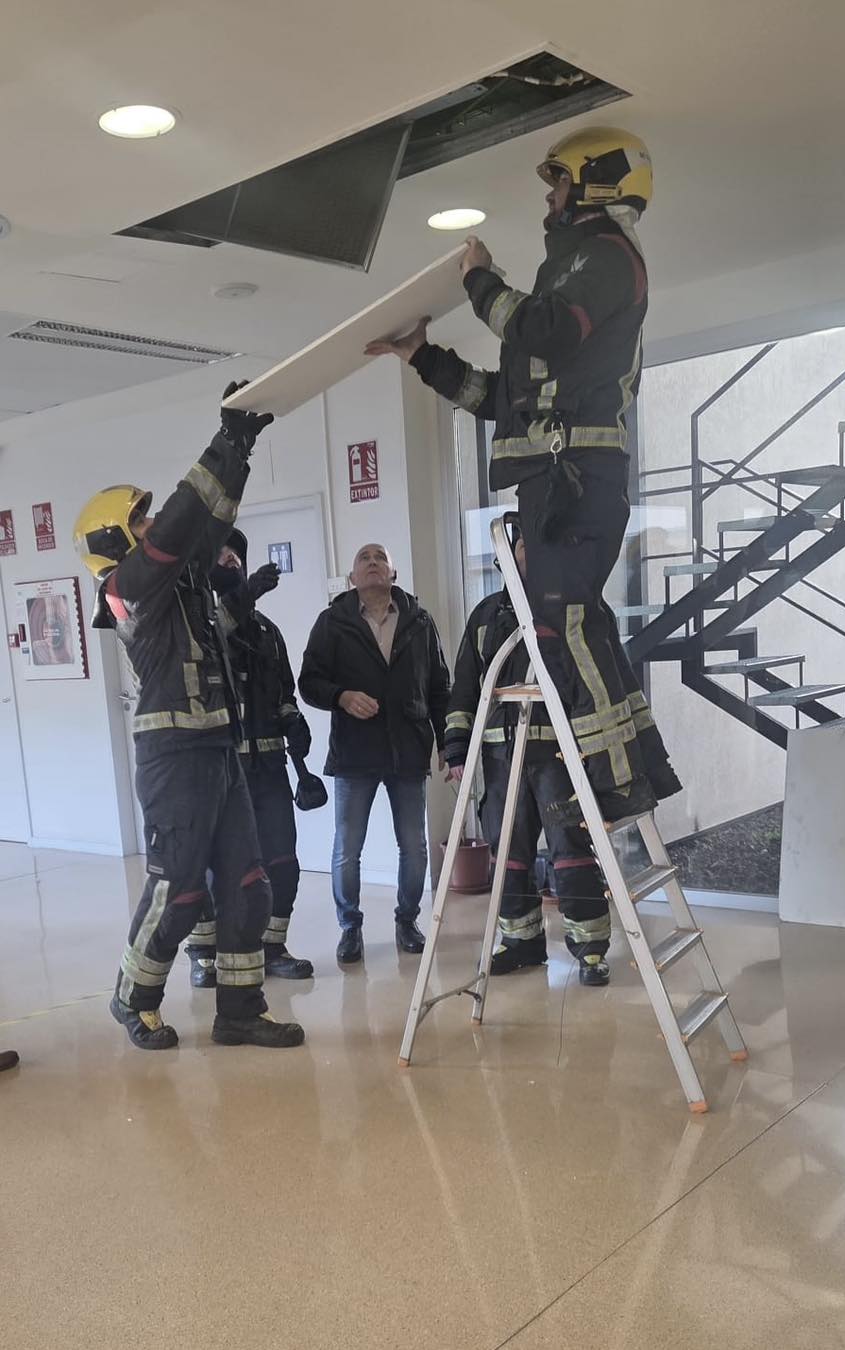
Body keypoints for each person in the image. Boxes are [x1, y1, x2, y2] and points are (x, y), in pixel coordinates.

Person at [366, 126, 681, 828]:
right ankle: (632, 770)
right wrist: (422, 356)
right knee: (576, 623)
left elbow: (543, 330)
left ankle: (619, 781)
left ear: (596, 183)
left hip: (575, 481)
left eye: (559, 179)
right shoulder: (573, 275)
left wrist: (478, 279)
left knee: (563, 626)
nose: (550, 194)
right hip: (560, 482)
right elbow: (499, 401)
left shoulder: (606, 257)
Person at [72, 384, 304, 1051]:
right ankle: (133, 997)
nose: (152, 523)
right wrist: (221, 441)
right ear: (115, 537)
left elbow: (208, 525)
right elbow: (178, 528)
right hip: (173, 756)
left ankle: (240, 1011)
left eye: (149, 515)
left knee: (248, 886)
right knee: (177, 890)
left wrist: (241, 453)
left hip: (217, 749)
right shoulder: (124, 588)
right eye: (140, 518)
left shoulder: (178, 580)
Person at [445, 534, 611, 985]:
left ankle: (590, 950)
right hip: (501, 759)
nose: (529, 551)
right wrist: (456, 747)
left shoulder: (573, 607)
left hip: (560, 757)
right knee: (508, 855)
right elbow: (465, 686)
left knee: (571, 853)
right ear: (506, 556)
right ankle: (521, 942)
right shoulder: (486, 616)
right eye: (520, 545)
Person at [299, 543, 450, 964]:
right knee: (347, 848)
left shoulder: (420, 622)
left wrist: (447, 740)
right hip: (355, 751)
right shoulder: (331, 622)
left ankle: (407, 921)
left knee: (414, 846)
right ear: (352, 578)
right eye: (364, 558)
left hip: (408, 749)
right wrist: (341, 696)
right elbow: (309, 681)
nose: (372, 563)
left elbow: (439, 686)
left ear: (392, 573)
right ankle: (350, 927)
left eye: (379, 557)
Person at [182, 530, 316, 988]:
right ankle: (204, 954)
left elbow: (283, 692)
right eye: (221, 553)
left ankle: (273, 947)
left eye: (237, 553)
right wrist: (246, 596)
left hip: (269, 771)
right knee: (210, 868)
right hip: (217, 772)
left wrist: (293, 720)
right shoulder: (197, 627)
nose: (231, 559)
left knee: (282, 862)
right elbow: (208, 644)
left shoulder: (268, 633)